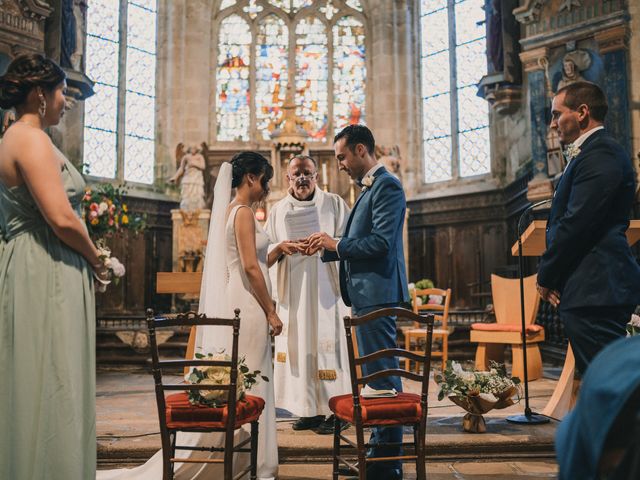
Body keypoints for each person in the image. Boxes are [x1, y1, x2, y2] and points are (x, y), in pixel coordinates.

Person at [98, 152, 286, 479]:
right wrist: (271, 311)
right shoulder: (242, 212)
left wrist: (281, 251)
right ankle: (248, 460)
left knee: (247, 379)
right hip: (250, 303)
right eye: (265, 180)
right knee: (253, 379)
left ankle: (241, 457)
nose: (266, 188)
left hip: (242, 299)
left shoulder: (231, 211)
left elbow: (253, 262)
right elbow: (250, 267)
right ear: (251, 177)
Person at [0, 54, 107, 479]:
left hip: (30, 263)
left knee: (34, 375)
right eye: (63, 92)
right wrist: (96, 260)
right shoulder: (30, 138)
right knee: (52, 376)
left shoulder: (13, 136)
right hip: (44, 268)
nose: (67, 101)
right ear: (40, 95)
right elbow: (61, 218)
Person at [306, 124, 409, 480]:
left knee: (384, 380)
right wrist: (329, 245)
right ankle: (378, 456)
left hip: (378, 294)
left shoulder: (388, 186)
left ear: (361, 150)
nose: (340, 165)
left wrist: (337, 245)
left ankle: (387, 465)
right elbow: (362, 240)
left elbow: (381, 242)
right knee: (375, 380)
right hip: (367, 295)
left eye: (342, 157)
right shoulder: (369, 189)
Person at [536, 81, 640, 374]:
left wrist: (546, 274)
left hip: (597, 289)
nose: (553, 122)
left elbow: (577, 224)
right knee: (605, 383)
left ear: (582, 112)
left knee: (611, 384)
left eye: (558, 114)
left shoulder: (601, 154)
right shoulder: (590, 153)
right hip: (589, 288)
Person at [265, 154, 351, 434]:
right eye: (296, 174)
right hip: (295, 292)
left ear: (317, 176)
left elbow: (351, 244)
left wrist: (328, 243)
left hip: (328, 293)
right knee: (300, 348)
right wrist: (283, 246)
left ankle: (336, 412)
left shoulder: (335, 204)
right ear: (287, 178)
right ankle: (309, 411)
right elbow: (264, 251)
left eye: (307, 173)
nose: (302, 178)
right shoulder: (277, 210)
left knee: (330, 351)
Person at [169, 145, 206, 211]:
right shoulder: (186, 157)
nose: (193, 150)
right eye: (191, 148)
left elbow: (203, 166)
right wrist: (175, 177)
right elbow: (181, 168)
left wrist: (194, 164)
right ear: (189, 149)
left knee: (197, 193)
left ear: (197, 149)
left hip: (196, 177)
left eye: (194, 148)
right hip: (188, 175)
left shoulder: (200, 156)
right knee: (186, 192)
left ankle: (197, 206)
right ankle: (186, 205)